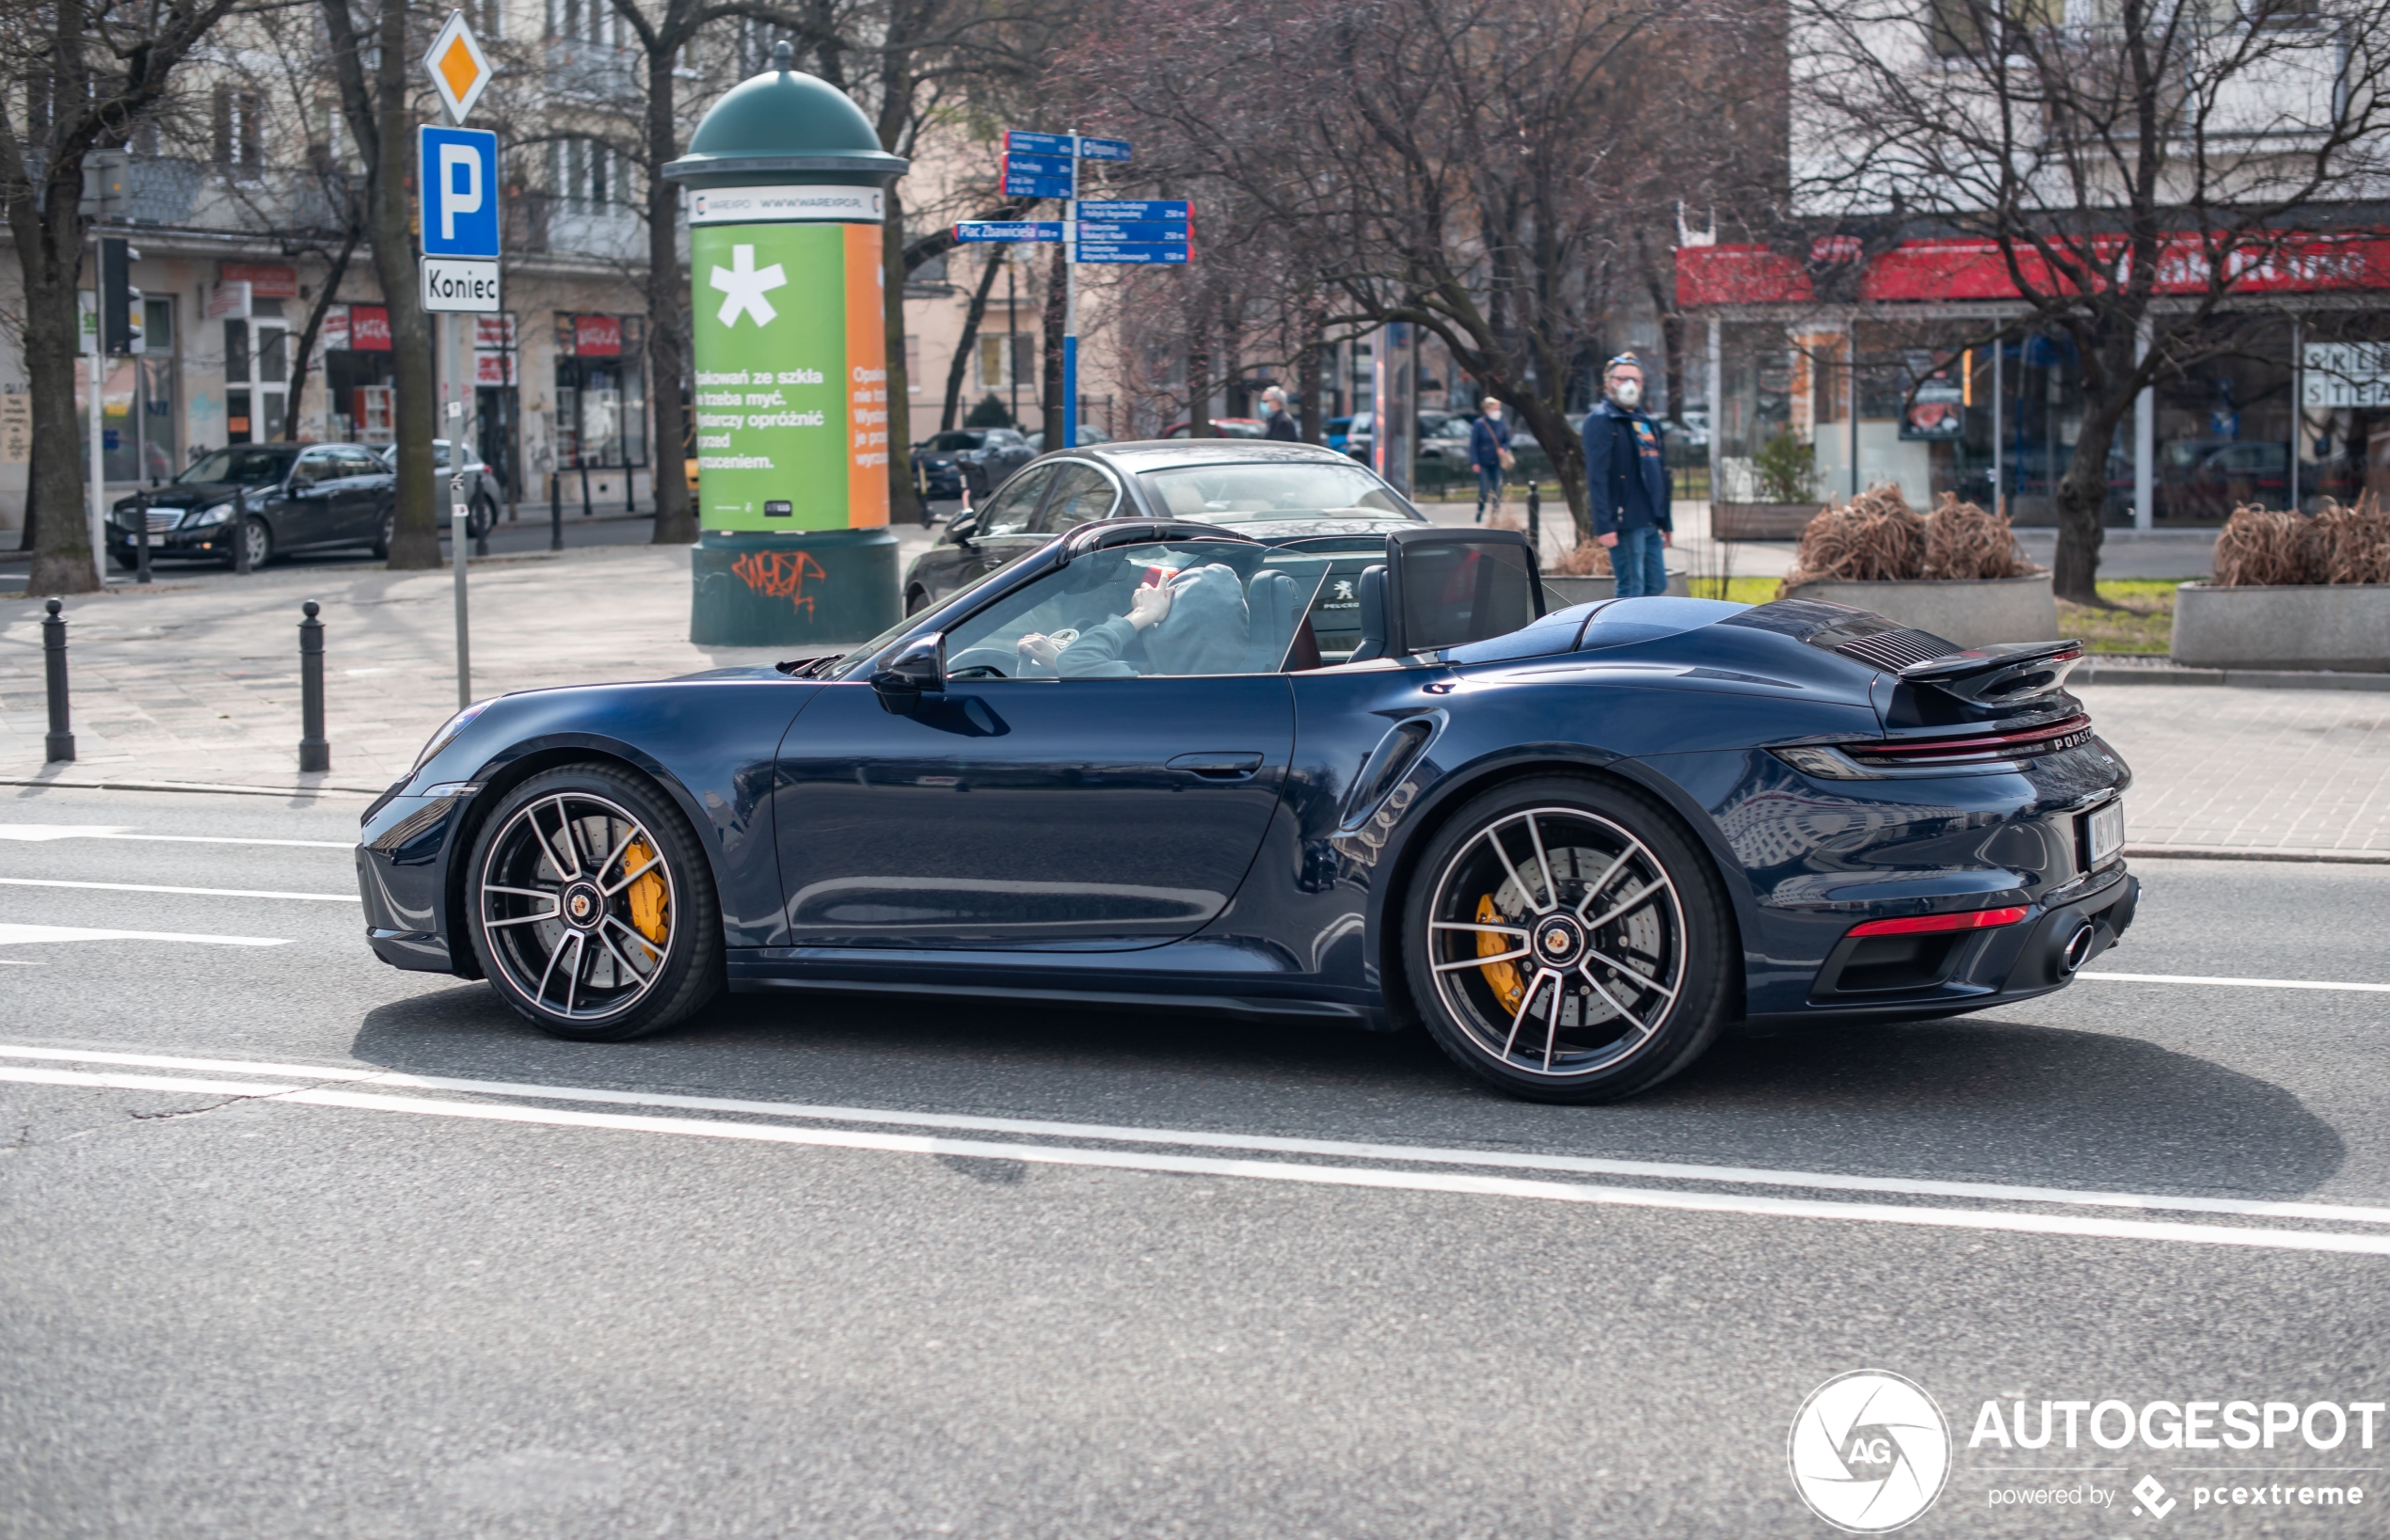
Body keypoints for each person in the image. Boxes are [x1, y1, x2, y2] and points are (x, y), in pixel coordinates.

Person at [1580, 353, 1670, 598]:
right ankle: (1623, 637)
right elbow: (1597, 477)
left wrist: (1666, 521)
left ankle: (1647, 633)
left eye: (1636, 380)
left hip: (1650, 519)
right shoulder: (1601, 421)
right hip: (1624, 521)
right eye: (1622, 379)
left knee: (1657, 585)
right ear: (1608, 382)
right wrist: (1604, 525)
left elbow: (1659, 471)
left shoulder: (1646, 421)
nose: (1629, 385)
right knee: (1632, 588)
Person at [1468, 397, 1513, 522]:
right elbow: (1473, 444)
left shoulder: (1501, 423)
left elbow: (1506, 439)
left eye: (1498, 408)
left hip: (1497, 462)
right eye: (1495, 409)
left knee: (1497, 490)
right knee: (1484, 489)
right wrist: (1475, 461)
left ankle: (1494, 516)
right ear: (1487, 409)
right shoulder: (1479, 424)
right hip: (1483, 462)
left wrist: (1503, 448)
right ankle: (1479, 512)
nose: (1497, 411)